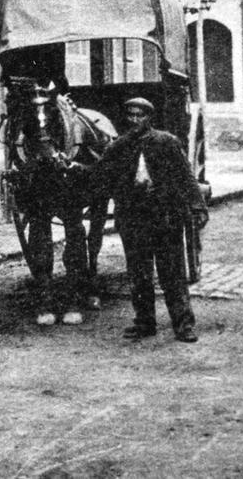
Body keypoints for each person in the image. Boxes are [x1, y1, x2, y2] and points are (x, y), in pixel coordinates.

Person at [82, 98, 208, 343]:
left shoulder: (167, 142)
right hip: (134, 219)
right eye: (131, 115)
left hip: (165, 217)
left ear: (149, 118)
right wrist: (74, 167)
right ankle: (144, 323)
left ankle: (183, 326)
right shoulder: (119, 147)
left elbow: (186, 177)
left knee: (172, 274)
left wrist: (197, 206)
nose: (135, 120)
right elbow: (98, 174)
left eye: (140, 116)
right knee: (139, 274)